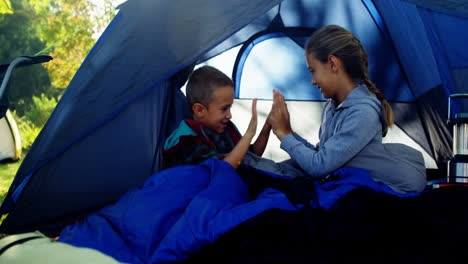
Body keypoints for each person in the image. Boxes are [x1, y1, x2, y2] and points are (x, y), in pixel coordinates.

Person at [269, 25, 426, 193]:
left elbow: (320, 166)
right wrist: (290, 133)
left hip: (361, 193)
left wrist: (283, 135)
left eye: (313, 71)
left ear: (332, 63)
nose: (313, 81)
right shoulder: (332, 107)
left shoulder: (364, 113)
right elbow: (322, 155)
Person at [163, 65, 271, 170]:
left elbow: (248, 156)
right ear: (199, 110)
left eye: (230, 107)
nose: (230, 115)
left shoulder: (224, 128)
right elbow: (223, 169)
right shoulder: (188, 140)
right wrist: (249, 134)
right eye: (224, 109)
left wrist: (267, 126)